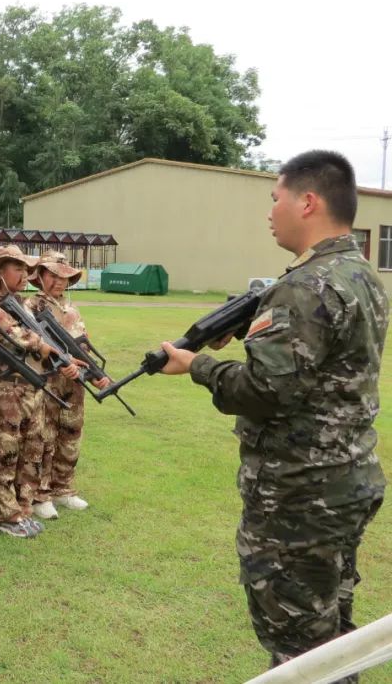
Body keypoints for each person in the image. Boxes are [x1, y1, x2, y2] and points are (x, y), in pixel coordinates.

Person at [158, 151, 386, 675]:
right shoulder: (359, 273)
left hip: (299, 495)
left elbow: (263, 390)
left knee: (298, 646)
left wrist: (198, 365)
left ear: (307, 202)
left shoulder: (305, 286)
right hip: (346, 480)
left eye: (275, 198)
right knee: (330, 630)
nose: (270, 211)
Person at [0, 245, 77, 538]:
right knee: (6, 452)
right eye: (18, 269)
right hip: (6, 389)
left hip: (32, 387)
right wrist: (43, 345)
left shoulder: (20, 304)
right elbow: (16, 335)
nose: (25, 275)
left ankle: (22, 508)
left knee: (32, 450)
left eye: (26, 269)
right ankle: (5, 515)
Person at [28, 251, 109, 519]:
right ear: (40, 276)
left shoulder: (71, 309)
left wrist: (96, 374)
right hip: (47, 380)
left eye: (64, 276)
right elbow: (32, 347)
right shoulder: (31, 307)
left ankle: (63, 488)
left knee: (71, 433)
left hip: (74, 383)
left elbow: (83, 345)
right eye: (53, 275)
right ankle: (40, 494)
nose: (59, 281)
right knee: (44, 436)